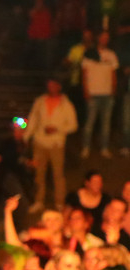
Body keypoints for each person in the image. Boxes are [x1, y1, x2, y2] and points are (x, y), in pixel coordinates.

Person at [25, 76, 78, 214]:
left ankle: (59, 202)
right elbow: (33, 119)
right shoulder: (40, 101)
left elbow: (73, 125)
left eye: (53, 85)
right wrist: (26, 136)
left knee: (58, 174)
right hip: (39, 142)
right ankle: (38, 201)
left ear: (59, 86)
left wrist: (57, 129)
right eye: (49, 85)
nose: (51, 88)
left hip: (56, 144)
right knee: (39, 173)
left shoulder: (66, 104)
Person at [81, 30, 119, 158]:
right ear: (98, 38)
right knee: (89, 123)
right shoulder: (89, 53)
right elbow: (84, 74)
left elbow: (113, 74)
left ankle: (104, 148)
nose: (104, 40)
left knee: (106, 124)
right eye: (103, 37)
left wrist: (113, 89)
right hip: (93, 93)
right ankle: (86, 147)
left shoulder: (111, 54)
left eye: (107, 38)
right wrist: (86, 90)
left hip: (107, 94)